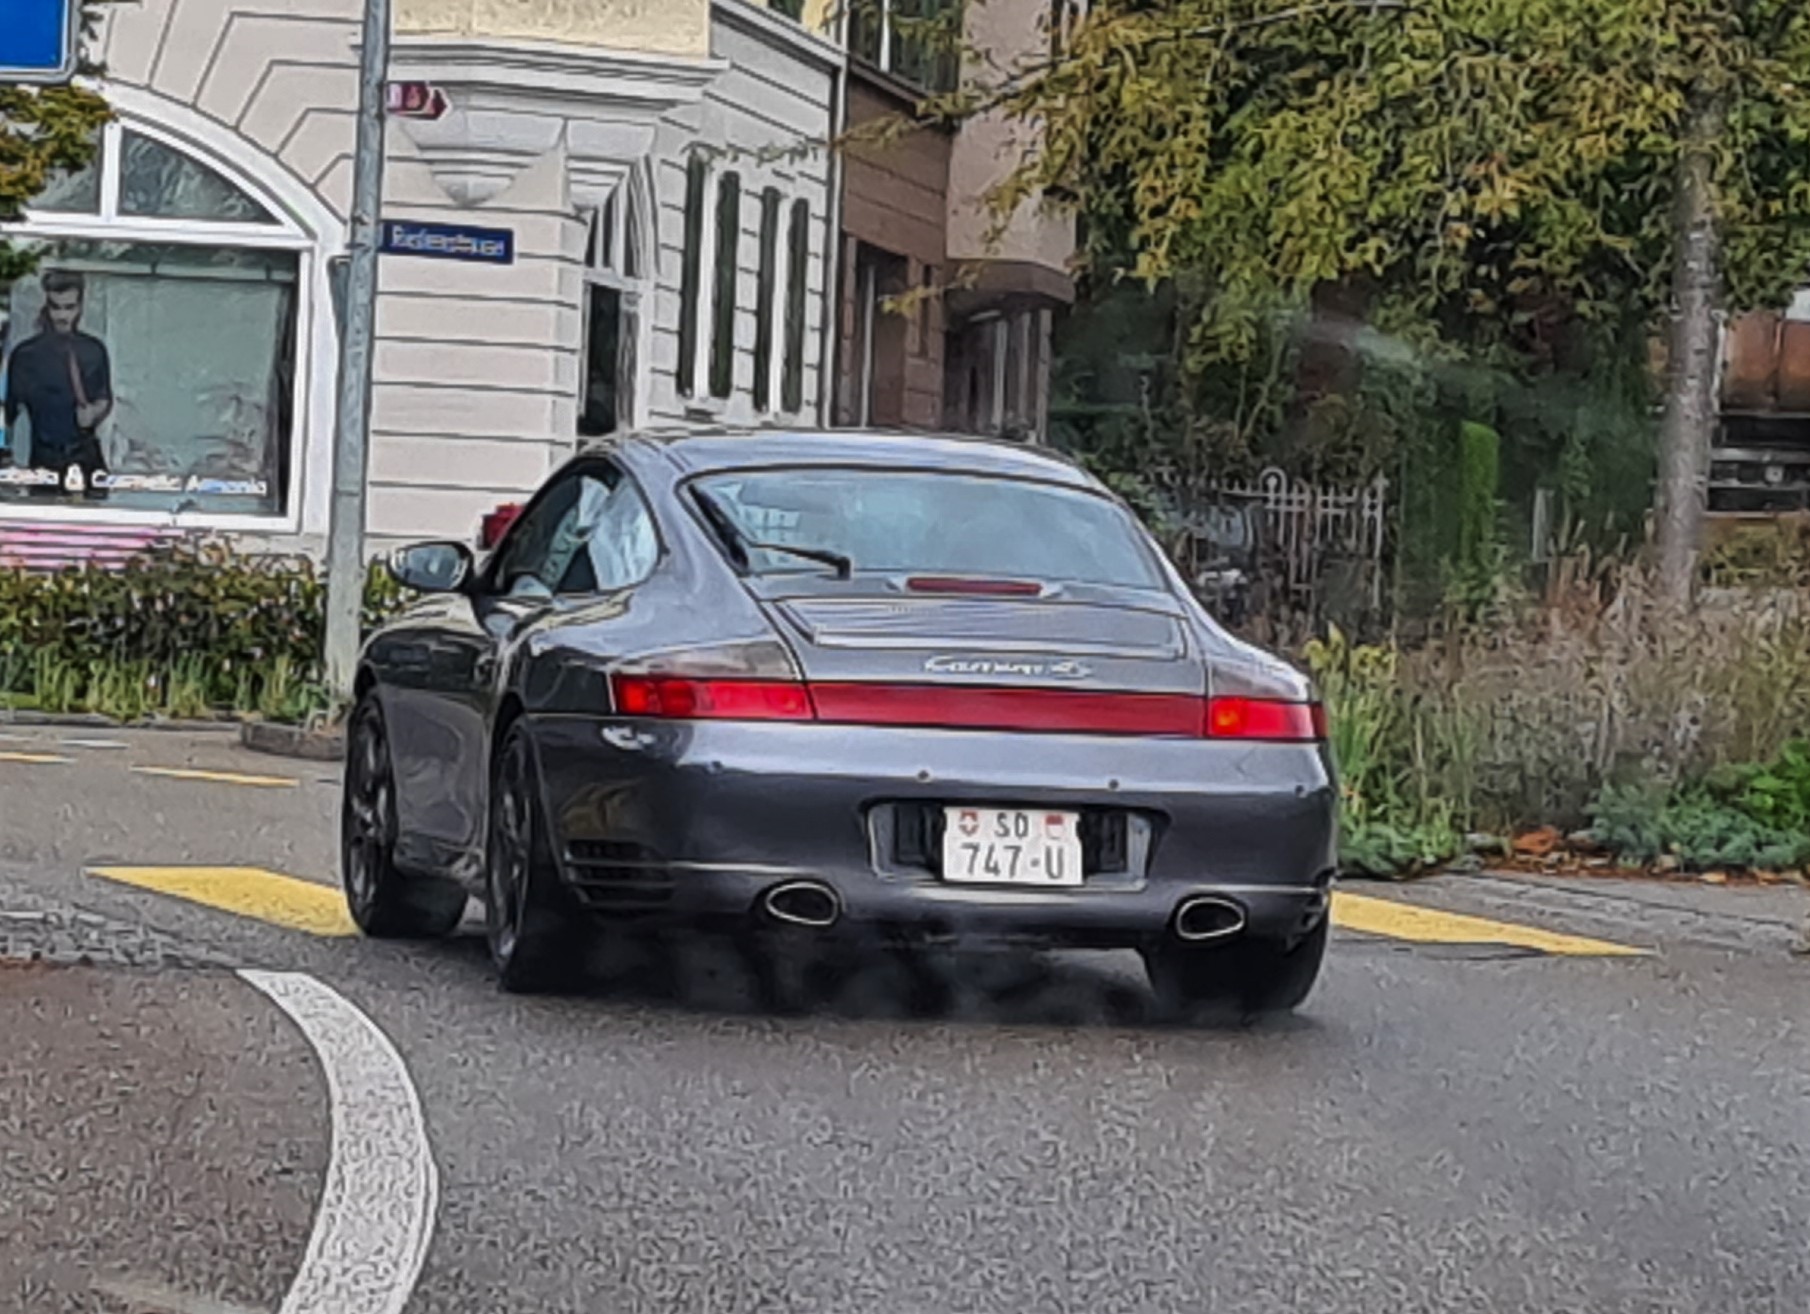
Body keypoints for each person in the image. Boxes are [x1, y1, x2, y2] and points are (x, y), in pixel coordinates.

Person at [3, 270, 113, 499]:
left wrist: (94, 412)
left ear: (80, 306)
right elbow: (8, 413)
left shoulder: (93, 350)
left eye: (69, 307)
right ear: (46, 307)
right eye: (56, 307)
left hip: (85, 455)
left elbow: (104, 397)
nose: (62, 316)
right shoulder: (26, 356)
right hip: (44, 457)